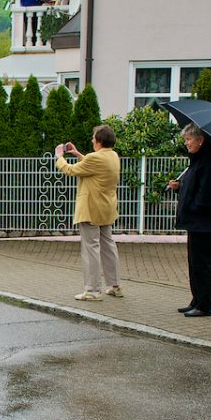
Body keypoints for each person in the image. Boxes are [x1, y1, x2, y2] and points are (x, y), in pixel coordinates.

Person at [54, 125, 123, 301]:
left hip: (91, 209)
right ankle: (114, 285)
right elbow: (93, 166)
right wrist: (78, 154)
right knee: (108, 246)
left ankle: (92, 290)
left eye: (93, 138)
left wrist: (59, 157)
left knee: (90, 248)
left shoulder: (95, 158)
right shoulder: (113, 156)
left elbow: (70, 170)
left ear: (98, 141)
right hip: (107, 208)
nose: (92, 140)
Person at [166, 124, 211, 317]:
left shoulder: (209, 162)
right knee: (194, 263)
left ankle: (205, 304)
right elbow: (194, 186)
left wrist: (192, 207)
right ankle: (197, 299)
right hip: (196, 222)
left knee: (202, 264)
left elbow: (207, 194)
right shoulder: (198, 160)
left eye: (189, 139)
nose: (186, 143)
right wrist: (180, 187)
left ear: (200, 140)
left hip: (203, 222)